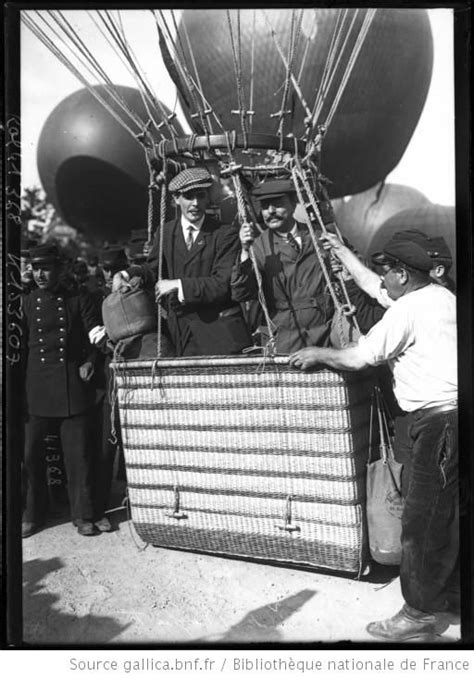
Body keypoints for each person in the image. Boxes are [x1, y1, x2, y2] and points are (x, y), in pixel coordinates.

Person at [289, 234, 458, 641]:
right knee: (451, 516)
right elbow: (375, 288)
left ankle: (417, 614)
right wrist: (342, 251)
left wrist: (318, 354)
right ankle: (446, 593)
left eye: (388, 271)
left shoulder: (408, 311)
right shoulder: (439, 298)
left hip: (439, 423)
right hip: (453, 418)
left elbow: (359, 357)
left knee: (422, 520)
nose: (383, 279)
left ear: (403, 273)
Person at [112, 166, 251, 356]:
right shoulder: (166, 232)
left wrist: (177, 285)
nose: (195, 203)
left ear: (208, 197)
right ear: (175, 199)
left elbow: (222, 285)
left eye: (200, 196)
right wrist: (125, 274)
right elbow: (154, 269)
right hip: (180, 335)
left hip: (220, 337)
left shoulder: (224, 233)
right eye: (188, 196)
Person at [21, 243, 103, 537]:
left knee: (77, 454)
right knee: (31, 454)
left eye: (46, 268)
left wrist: (91, 360)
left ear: (58, 269)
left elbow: (94, 333)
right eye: (35, 268)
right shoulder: (27, 302)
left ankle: (83, 515)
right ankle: (33, 514)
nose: (40, 274)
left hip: (71, 383)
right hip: (37, 386)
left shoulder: (77, 298)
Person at [230, 178, 334, 353]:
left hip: (325, 333)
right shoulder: (258, 246)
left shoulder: (321, 236)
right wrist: (245, 251)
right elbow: (241, 293)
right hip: (283, 338)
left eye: (277, 204)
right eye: (264, 206)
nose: (270, 211)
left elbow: (352, 271)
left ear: (293, 204)